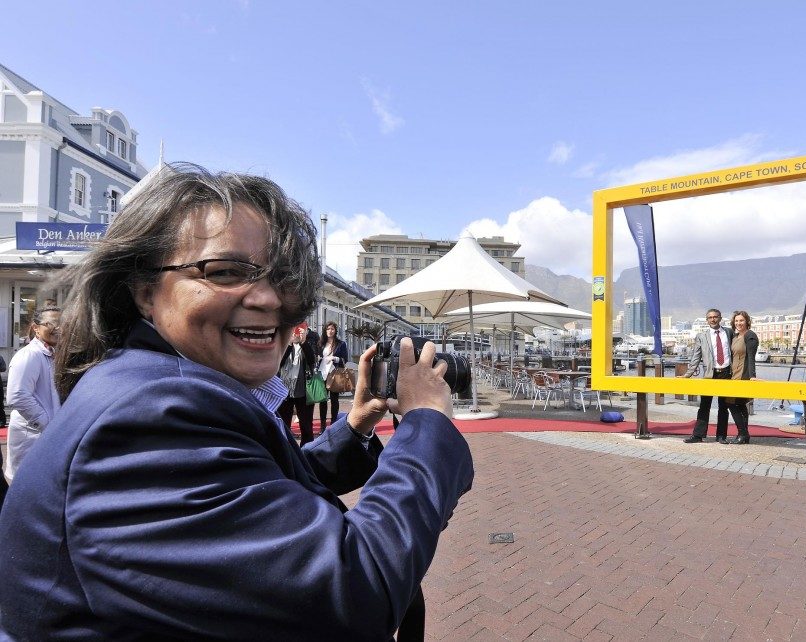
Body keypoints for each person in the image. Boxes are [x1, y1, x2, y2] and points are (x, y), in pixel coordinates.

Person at [0, 164, 473, 640]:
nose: (268, 298)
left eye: (284, 277)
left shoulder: (149, 384)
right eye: (224, 272)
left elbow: (246, 487)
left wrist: (353, 428)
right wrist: (427, 422)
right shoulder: (148, 416)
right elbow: (353, 589)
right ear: (145, 291)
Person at [3, 307, 61, 482]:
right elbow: (18, 395)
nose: (57, 328)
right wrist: (46, 423)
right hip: (32, 436)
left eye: (61, 324)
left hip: (46, 434)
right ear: (36, 328)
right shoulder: (29, 355)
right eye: (51, 323)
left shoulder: (53, 353)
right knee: (26, 484)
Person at [683, 308, 734, 443]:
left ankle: (721, 436)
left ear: (720, 318)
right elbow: (696, 357)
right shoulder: (702, 336)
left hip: (726, 373)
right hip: (709, 374)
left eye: (715, 317)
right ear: (707, 320)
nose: (713, 319)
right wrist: (687, 374)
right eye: (710, 317)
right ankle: (698, 435)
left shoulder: (729, 332)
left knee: (724, 407)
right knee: (704, 405)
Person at [278, 321, 317, 445]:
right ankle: (286, 451)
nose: (296, 332)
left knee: (306, 425)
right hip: (285, 389)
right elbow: (279, 362)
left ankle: (306, 452)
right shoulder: (283, 343)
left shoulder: (310, 341)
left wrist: (304, 342)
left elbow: (312, 360)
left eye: (299, 329)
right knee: (284, 424)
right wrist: (289, 343)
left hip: (304, 389)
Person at [725, 310, 759, 445]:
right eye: (737, 321)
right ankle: (744, 435)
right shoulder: (735, 336)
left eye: (741, 321)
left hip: (743, 375)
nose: (738, 323)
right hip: (734, 374)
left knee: (731, 403)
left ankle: (742, 433)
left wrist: (752, 376)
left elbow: (751, 358)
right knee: (739, 404)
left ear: (747, 322)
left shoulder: (750, 336)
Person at [318, 321, 349, 429]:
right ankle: (322, 425)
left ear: (335, 331)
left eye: (332, 329)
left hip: (335, 373)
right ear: (325, 331)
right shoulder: (321, 343)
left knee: (334, 399)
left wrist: (334, 358)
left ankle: (333, 423)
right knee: (322, 400)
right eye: (328, 329)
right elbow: (317, 356)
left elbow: (345, 359)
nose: (330, 331)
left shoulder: (341, 344)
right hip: (322, 373)